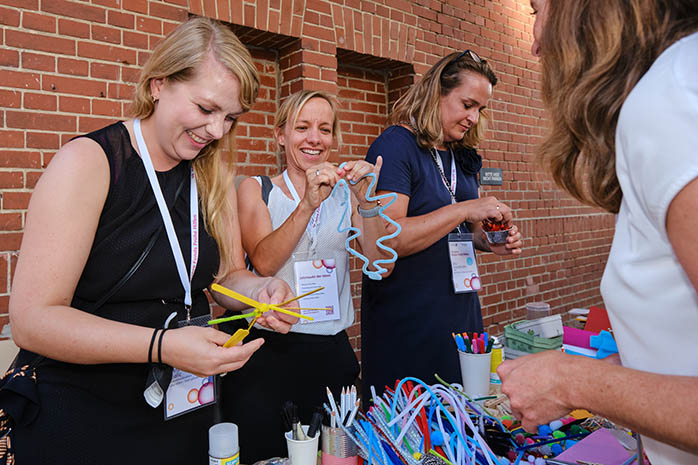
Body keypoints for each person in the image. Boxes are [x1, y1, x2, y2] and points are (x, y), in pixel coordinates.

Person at [6, 17, 298, 464]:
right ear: (159, 84)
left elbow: (227, 277)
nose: (217, 131)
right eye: (205, 109)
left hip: (179, 410)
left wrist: (261, 291)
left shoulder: (211, 170)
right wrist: (161, 345)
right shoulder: (89, 162)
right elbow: (32, 321)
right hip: (82, 415)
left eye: (230, 118)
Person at [497, 1, 698, 463]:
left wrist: (572, 381)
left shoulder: (670, 99)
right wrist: (620, 373)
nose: (534, 43)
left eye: (535, 10)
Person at [221, 90, 393, 461]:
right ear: (280, 134)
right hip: (268, 351)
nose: (314, 138)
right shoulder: (258, 189)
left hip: (331, 351)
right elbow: (264, 262)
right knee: (265, 453)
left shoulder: (347, 195)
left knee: (336, 456)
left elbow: (382, 263)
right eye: (302, 127)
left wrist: (367, 202)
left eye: (325, 129)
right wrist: (308, 204)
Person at [360, 50, 523, 403]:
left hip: (461, 316)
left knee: (460, 427)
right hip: (409, 322)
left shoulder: (461, 154)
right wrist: (466, 208)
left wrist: (488, 240)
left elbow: (462, 229)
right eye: (467, 104)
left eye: (480, 109)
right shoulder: (395, 145)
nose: (473, 118)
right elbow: (390, 238)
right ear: (437, 92)